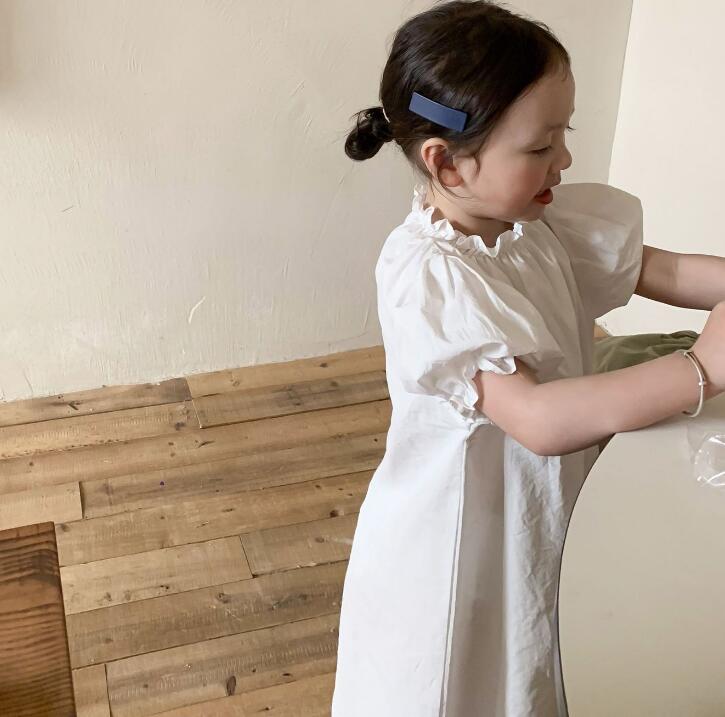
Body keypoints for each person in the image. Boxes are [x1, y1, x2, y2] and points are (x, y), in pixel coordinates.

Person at [331, 1, 725, 715]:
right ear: (447, 163)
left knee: (541, 641)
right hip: (466, 530)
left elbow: (661, 270)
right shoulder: (431, 276)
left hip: (541, 496)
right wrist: (702, 369)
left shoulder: (534, 221)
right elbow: (536, 416)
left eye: (564, 134)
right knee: (473, 667)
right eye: (540, 146)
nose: (563, 159)